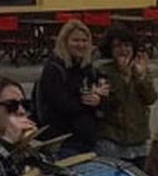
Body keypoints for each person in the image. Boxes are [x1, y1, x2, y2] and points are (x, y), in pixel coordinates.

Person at [34, 19, 106, 156]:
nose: (81, 45)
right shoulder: (54, 68)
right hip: (63, 141)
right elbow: (62, 104)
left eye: (84, 41)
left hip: (88, 138)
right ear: (64, 42)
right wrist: (86, 100)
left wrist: (99, 100)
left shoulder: (88, 68)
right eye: (76, 40)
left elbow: (104, 97)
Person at [94, 25, 158, 168]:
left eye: (127, 45)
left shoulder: (139, 69)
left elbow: (151, 98)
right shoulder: (103, 71)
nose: (123, 50)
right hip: (112, 140)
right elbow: (114, 101)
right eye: (117, 46)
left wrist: (140, 77)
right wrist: (123, 77)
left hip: (138, 139)